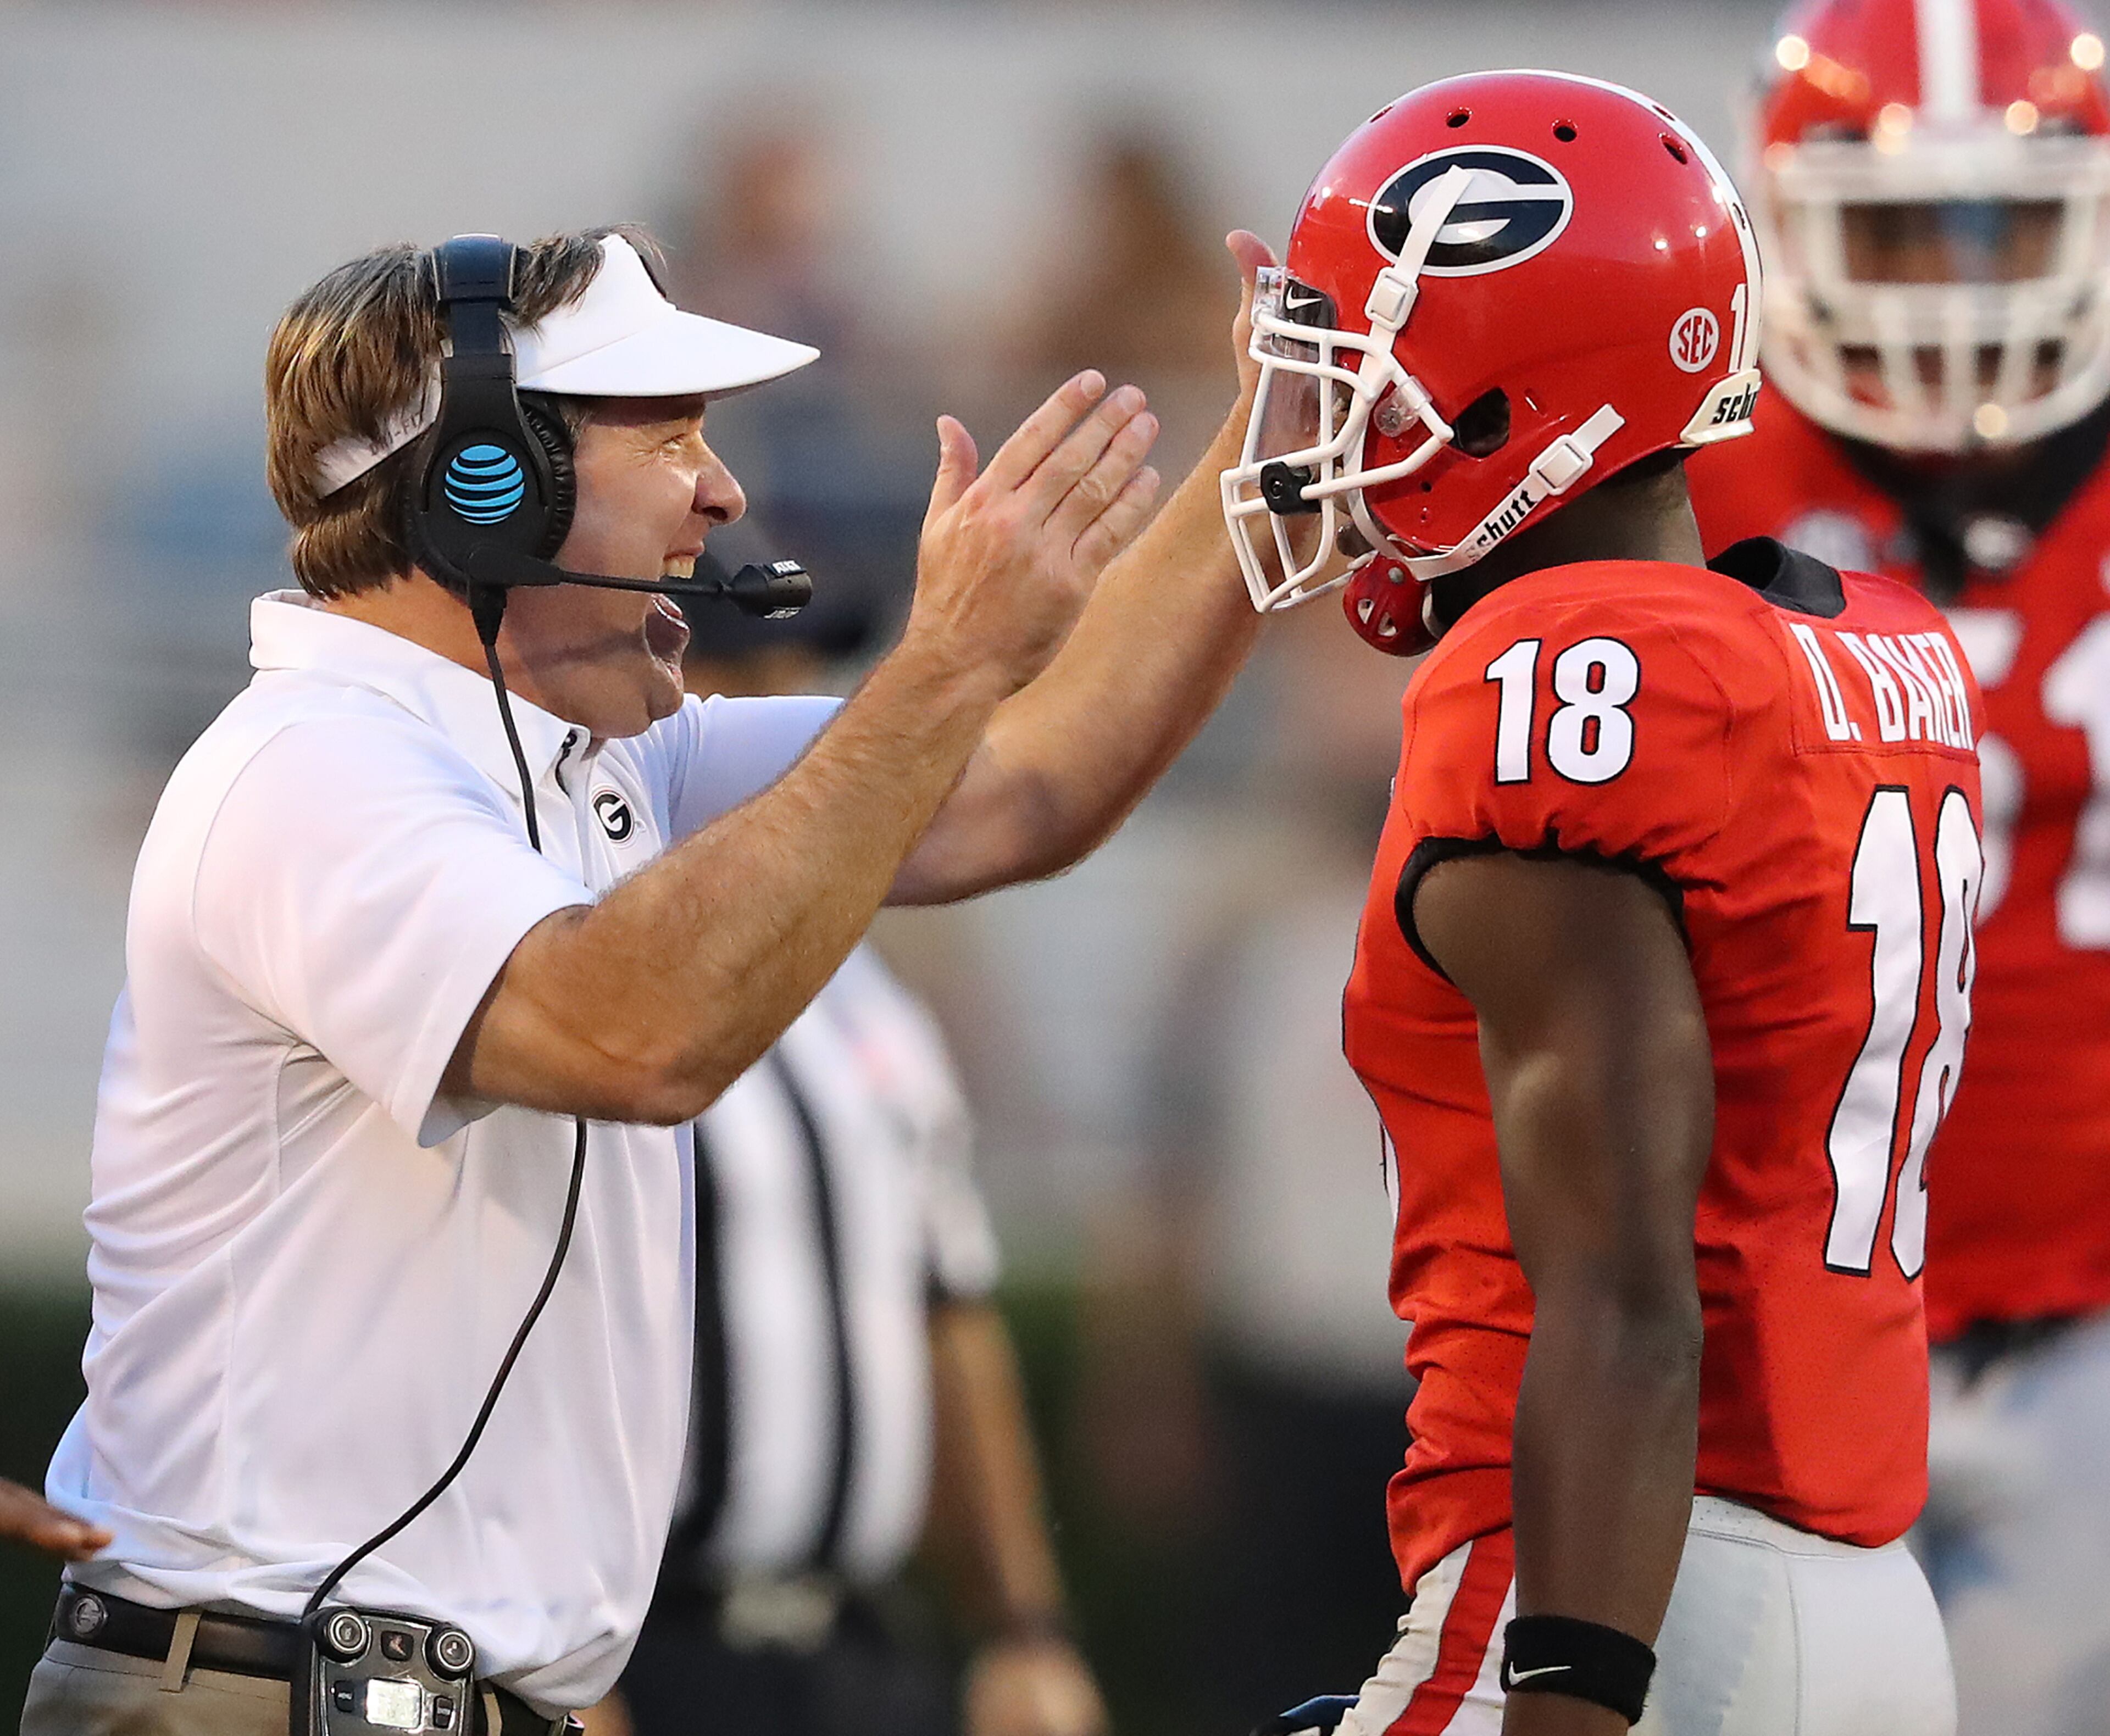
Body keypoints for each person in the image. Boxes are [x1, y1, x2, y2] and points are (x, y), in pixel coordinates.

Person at [23, 220, 1273, 1735]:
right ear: (487, 486)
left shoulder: (590, 762)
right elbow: (638, 1034)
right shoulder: (316, 769)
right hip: (270, 1691)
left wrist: (1270, 463)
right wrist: (944, 661)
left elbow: (1022, 788)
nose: (724, 494)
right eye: (669, 435)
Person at [1225, 71, 1977, 1733]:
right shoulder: (1860, 648)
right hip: (1859, 1603)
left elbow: (1629, 1295)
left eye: (1371, 376)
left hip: (1620, 1591)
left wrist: (1567, 1694)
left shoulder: (1563, 676)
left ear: (1513, 398)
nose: (1331, 435)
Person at [1686, 3, 2110, 1729]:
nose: (1952, 282)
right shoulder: (1687, 475)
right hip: (1775, 1324)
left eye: (1999, 224)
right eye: (1900, 225)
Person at [591, 579, 1105, 1736]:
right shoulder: (576, 969)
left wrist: (1026, 1628)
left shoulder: (866, 1004)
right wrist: (544, 1663)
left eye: (797, 675)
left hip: (857, 1649)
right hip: (643, 1642)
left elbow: (945, 1311)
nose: (785, 715)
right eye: (741, 676)